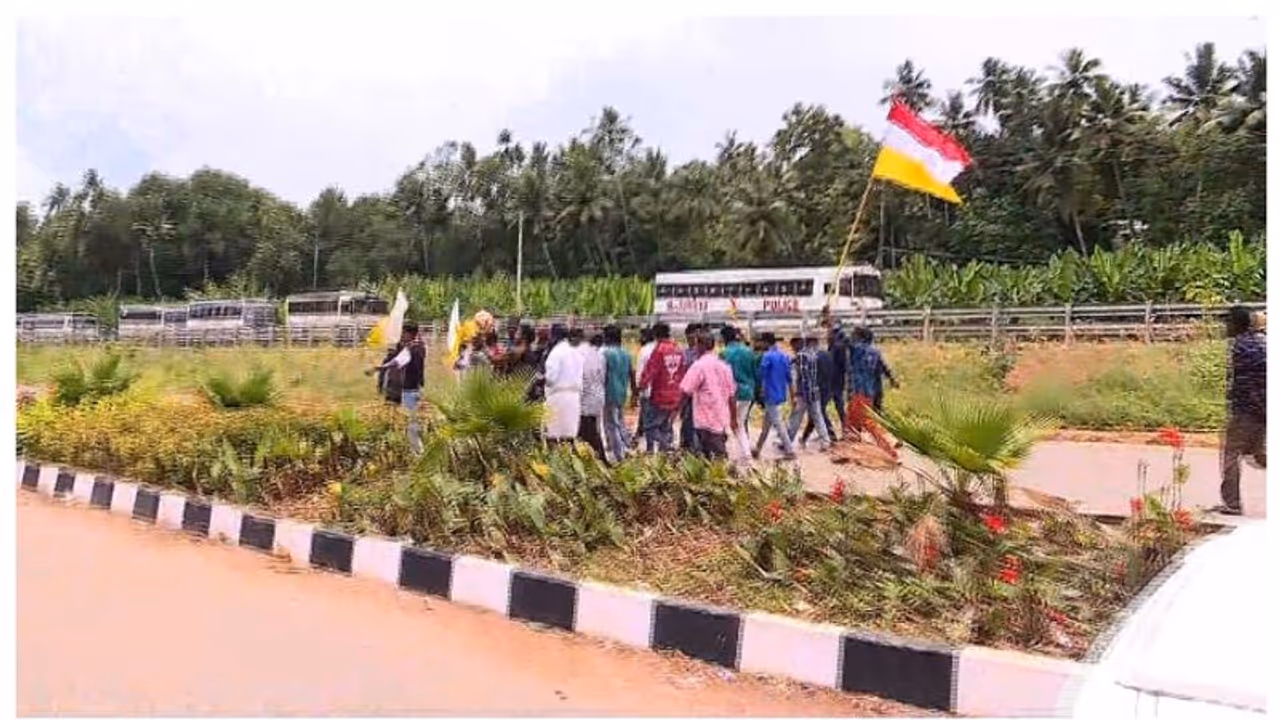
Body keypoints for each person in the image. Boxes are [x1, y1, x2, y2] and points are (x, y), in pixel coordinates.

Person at [1216, 305, 1266, 516]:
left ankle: (1232, 504)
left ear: (1237, 324)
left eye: (1228, 322)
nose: (1225, 326)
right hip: (1263, 409)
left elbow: (1245, 384)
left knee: (1231, 454)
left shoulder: (1240, 347)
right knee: (1257, 455)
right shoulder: (1262, 342)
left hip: (1247, 410)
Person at [679, 333, 739, 459]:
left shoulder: (699, 366)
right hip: (720, 419)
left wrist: (676, 409)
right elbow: (732, 395)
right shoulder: (724, 366)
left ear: (700, 345)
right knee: (718, 456)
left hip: (704, 420)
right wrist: (733, 419)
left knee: (705, 457)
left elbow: (685, 390)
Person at [370, 322, 427, 454]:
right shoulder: (420, 347)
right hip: (413, 388)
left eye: (403, 333)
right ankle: (413, 449)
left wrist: (378, 368)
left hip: (409, 389)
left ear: (409, 334)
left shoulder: (412, 349)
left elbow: (395, 362)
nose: (401, 336)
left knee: (410, 421)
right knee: (410, 420)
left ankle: (416, 451)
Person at [639, 322, 685, 453]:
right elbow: (682, 371)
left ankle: (669, 447)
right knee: (665, 426)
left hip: (660, 395)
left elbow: (651, 371)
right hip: (675, 394)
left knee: (650, 427)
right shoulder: (677, 349)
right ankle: (665, 454)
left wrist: (642, 385)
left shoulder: (659, 350)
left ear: (655, 334)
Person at [752, 333, 797, 461]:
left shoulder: (767, 356)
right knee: (767, 423)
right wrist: (792, 395)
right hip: (780, 393)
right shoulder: (784, 356)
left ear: (766, 342)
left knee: (778, 423)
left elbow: (763, 375)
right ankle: (757, 448)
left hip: (769, 393)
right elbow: (789, 378)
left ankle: (790, 451)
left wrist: (761, 391)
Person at [788, 335, 832, 452]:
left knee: (796, 417)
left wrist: (800, 395)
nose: (793, 348)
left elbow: (804, 377)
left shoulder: (802, 355)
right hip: (815, 391)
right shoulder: (812, 355)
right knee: (818, 417)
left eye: (793, 346)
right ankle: (826, 442)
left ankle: (787, 441)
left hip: (804, 393)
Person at [543, 324, 584, 445]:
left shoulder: (556, 352)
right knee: (569, 436)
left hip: (558, 396)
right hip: (574, 397)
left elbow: (551, 378)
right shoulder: (576, 351)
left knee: (552, 435)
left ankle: (553, 457)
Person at [719, 325, 757, 459]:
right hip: (748, 393)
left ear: (724, 338)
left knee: (726, 424)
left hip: (731, 394)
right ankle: (746, 453)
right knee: (740, 424)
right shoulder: (748, 352)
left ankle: (727, 454)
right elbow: (754, 372)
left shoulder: (724, 353)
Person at [602, 324, 636, 463]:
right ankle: (626, 447)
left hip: (609, 393)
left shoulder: (605, 354)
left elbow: (602, 375)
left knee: (611, 425)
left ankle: (620, 455)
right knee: (620, 422)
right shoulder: (626, 354)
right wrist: (634, 392)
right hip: (622, 392)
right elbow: (632, 373)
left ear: (607, 337)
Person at [578, 331, 609, 462]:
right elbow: (603, 377)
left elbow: (579, 380)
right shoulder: (598, 355)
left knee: (588, 432)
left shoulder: (578, 354)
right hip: (597, 397)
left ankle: (600, 460)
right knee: (592, 429)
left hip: (585, 399)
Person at [802, 335, 839, 444]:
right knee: (816, 413)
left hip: (818, 388)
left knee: (819, 413)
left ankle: (831, 435)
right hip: (829, 387)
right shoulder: (828, 355)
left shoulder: (813, 357)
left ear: (811, 343)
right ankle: (805, 437)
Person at [679, 324, 704, 454]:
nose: (693, 339)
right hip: (687, 393)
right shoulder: (684, 353)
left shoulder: (702, 354)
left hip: (700, 393)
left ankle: (696, 448)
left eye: (695, 336)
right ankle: (687, 446)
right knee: (687, 419)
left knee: (697, 421)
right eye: (690, 336)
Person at [635, 326, 658, 447]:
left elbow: (640, 373)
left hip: (647, 390)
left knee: (648, 420)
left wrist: (637, 389)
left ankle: (649, 446)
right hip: (659, 391)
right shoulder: (658, 348)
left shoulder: (644, 351)